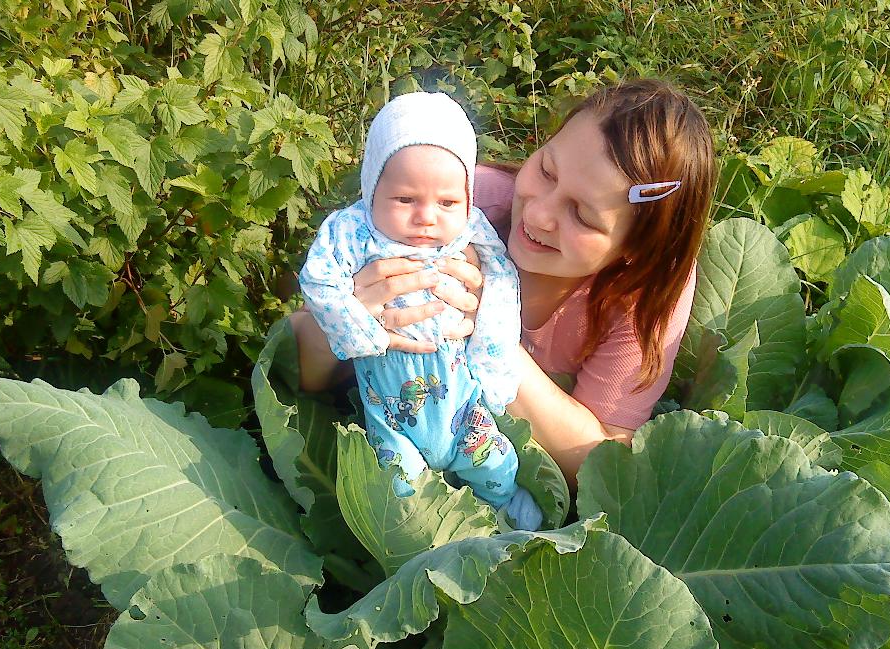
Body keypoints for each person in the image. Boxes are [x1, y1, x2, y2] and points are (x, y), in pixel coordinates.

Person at [290, 79, 715, 487]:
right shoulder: (452, 204)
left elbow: (602, 462)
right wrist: (347, 323)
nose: (539, 215)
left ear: (636, 251)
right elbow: (296, 365)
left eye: (583, 216)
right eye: (547, 171)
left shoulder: (648, 289)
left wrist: (493, 335)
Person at [298, 91, 543, 530]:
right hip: (390, 404)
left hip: (462, 396)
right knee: (400, 489)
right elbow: (318, 281)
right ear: (373, 188)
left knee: (493, 460)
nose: (427, 217)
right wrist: (362, 331)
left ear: (465, 197)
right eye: (406, 200)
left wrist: (492, 361)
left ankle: (507, 509)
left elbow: (502, 283)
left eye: (447, 203)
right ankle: (427, 539)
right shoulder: (351, 231)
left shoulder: (470, 230)